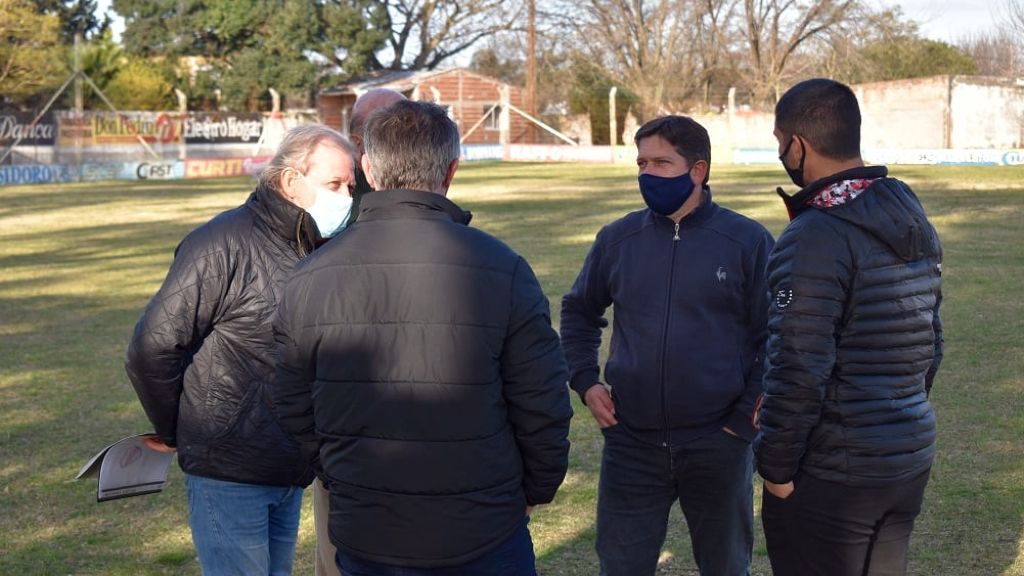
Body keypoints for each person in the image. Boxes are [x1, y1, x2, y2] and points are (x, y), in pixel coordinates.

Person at [270, 100, 573, 576]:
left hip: (461, 525)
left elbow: (290, 403)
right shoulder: (503, 267)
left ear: (368, 168)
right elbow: (545, 404)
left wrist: (533, 491)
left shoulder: (309, 275)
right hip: (425, 526)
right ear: (451, 170)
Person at [125, 124, 357, 576]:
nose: (347, 197)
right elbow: (152, 346)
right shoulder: (221, 242)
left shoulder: (318, 248)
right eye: (335, 184)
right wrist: (180, 430)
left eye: (350, 185)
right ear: (291, 181)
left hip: (290, 466)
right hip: (227, 470)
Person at [560, 115, 774, 576]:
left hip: (719, 443)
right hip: (631, 443)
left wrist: (740, 425)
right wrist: (584, 380)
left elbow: (775, 339)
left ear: (698, 170)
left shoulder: (747, 241)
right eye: (641, 163)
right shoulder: (618, 239)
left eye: (661, 162)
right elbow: (578, 310)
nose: (647, 174)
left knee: (726, 567)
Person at [753, 78, 944, 576]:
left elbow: (796, 362)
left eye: (780, 144)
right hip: (906, 455)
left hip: (839, 473)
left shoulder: (815, 233)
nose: (782, 155)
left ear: (798, 145)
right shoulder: (907, 212)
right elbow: (931, 342)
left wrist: (775, 468)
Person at [310, 86, 407, 576]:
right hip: (347, 405)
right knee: (338, 542)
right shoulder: (330, 203)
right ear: (355, 138)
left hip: (413, 405)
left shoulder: (420, 194)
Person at [344, 87, 407, 224]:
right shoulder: (341, 200)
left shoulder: (421, 177)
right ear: (357, 144)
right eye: (391, 132)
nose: (407, 141)